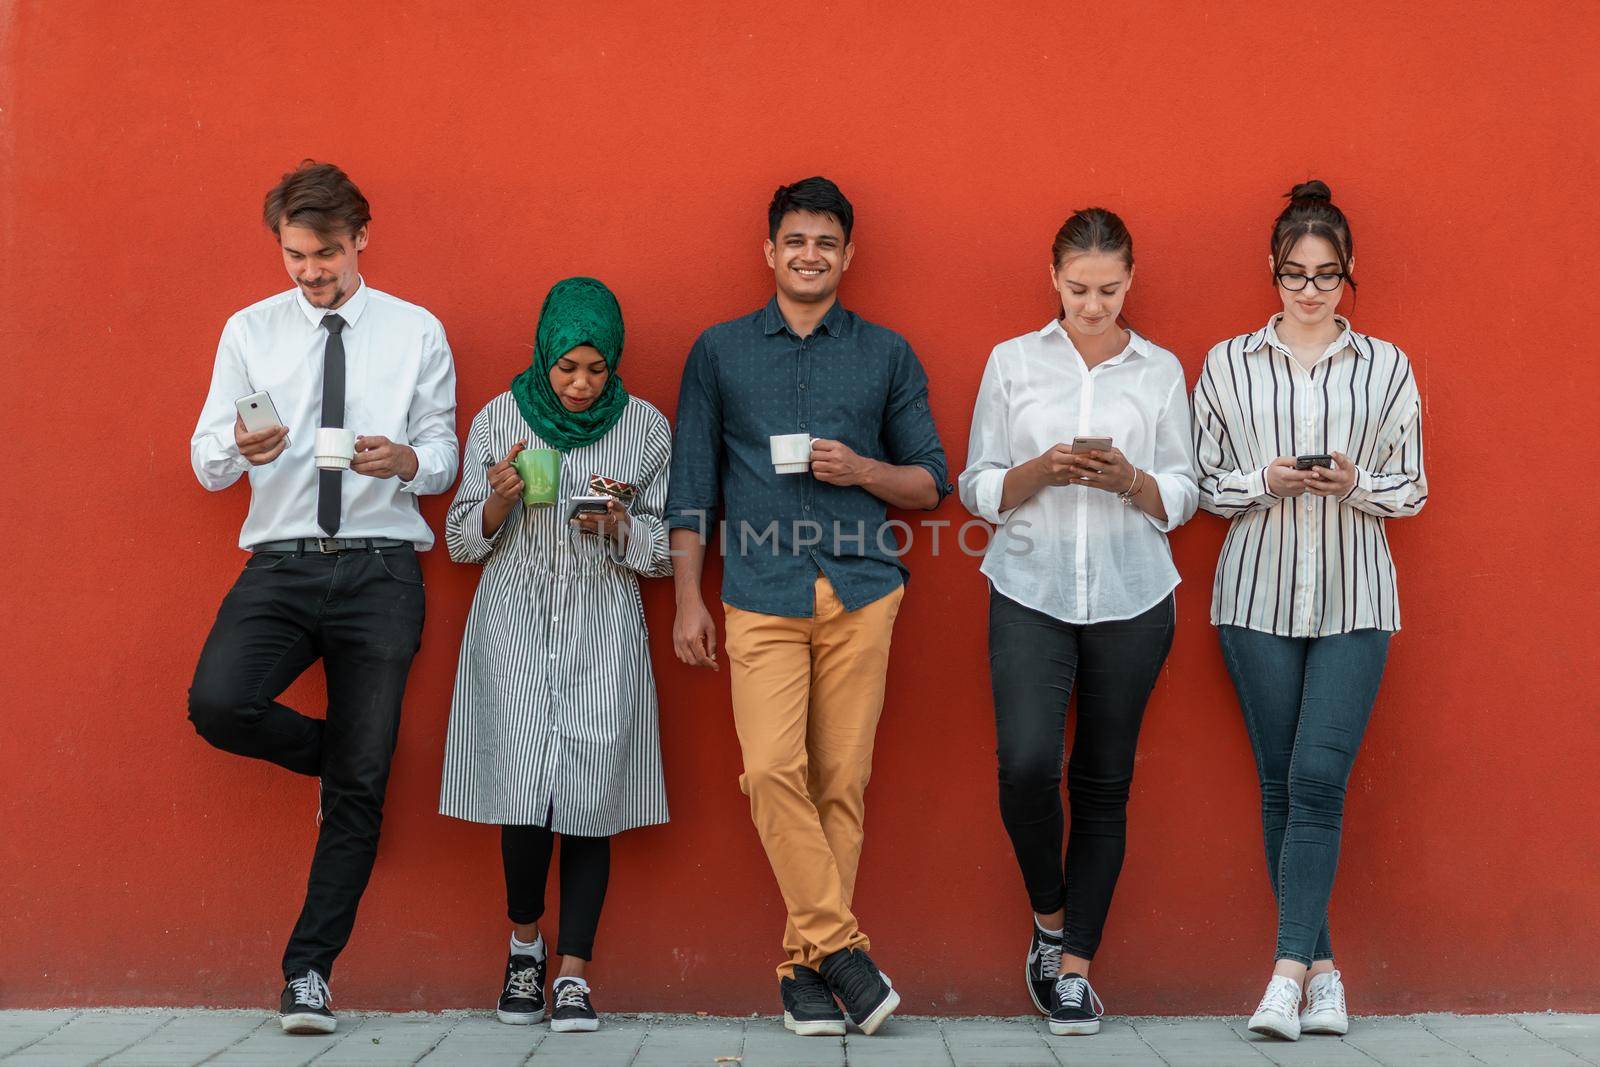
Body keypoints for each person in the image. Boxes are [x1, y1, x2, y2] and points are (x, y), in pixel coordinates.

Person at [665, 177, 950, 1038]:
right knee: (769, 769)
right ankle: (843, 949)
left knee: (843, 782)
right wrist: (687, 599)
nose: (809, 254)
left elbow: (931, 481)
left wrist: (860, 469)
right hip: (758, 591)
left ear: (847, 255)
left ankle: (803, 971)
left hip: (864, 589)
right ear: (770, 251)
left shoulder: (887, 354)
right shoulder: (718, 352)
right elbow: (691, 489)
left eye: (825, 242)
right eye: (795, 240)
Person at [186, 161, 458, 1034]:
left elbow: (443, 451)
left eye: (327, 254)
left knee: (361, 790)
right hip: (283, 561)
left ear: (362, 238)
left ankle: (309, 972)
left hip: (382, 566)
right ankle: (339, 757)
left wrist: (406, 463)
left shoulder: (416, 331)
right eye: (296, 256)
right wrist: (240, 444)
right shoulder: (249, 330)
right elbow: (203, 458)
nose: (311, 272)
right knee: (220, 703)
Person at [1191, 180, 1427, 1041]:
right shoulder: (1226, 363)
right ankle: (1323, 973)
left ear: (1349, 272)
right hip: (1253, 594)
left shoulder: (1388, 366)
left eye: (1327, 274)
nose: (1311, 289)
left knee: (1318, 777)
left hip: (1357, 595)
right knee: (1282, 784)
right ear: (1272, 270)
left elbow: (1414, 488)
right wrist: (1268, 479)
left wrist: (1354, 481)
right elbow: (1206, 484)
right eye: (1295, 273)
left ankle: (1285, 975)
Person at [958, 208, 1198, 1036]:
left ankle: (1074, 970)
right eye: (1076, 288)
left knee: (1103, 781)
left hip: (1134, 597)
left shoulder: (1161, 370)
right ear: (1052, 278)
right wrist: (1039, 471)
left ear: (1131, 280)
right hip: (1029, 584)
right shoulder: (1012, 362)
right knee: (1026, 766)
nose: (1092, 304)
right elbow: (975, 484)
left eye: (1107, 289)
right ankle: (1049, 920)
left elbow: (1184, 494)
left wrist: (1129, 478)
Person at [439, 276, 671, 1035]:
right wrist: (501, 497)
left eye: (595, 369)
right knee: (524, 786)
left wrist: (620, 525)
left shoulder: (645, 428)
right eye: (567, 367)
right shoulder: (500, 418)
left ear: (615, 364)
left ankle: (574, 974)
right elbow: (462, 540)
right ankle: (524, 948)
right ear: (544, 354)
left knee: (592, 793)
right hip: (512, 617)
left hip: (603, 621)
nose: (578, 384)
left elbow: (668, 549)